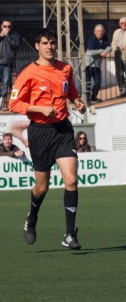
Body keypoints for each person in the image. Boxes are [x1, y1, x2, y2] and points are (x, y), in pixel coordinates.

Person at [9, 27, 87, 250]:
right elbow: (13, 104)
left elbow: (71, 91)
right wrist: (39, 109)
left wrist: (78, 102)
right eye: (45, 43)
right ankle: (31, 218)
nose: (50, 46)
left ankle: (69, 234)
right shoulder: (28, 73)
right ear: (37, 46)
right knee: (42, 187)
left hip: (62, 130)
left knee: (71, 179)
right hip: (40, 132)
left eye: (52, 42)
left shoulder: (66, 68)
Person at [85, 24, 111, 104]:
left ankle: (93, 97)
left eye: (102, 31)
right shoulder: (91, 39)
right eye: (98, 31)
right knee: (88, 83)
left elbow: (110, 47)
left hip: (97, 65)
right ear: (95, 32)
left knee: (98, 82)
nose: (100, 33)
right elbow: (91, 52)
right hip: (89, 64)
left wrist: (106, 51)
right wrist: (102, 51)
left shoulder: (105, 39)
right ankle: (87, 100)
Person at [0, 19, 21, 110]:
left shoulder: (14, 35)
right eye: (5, 26)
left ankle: (3, 103)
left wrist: (7, 36)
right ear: (1, 26)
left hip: (7, 63)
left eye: (9, 26)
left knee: (6, 84)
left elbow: (16, 45)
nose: (7, 28)